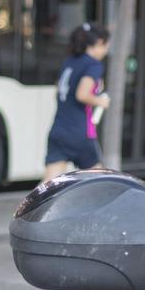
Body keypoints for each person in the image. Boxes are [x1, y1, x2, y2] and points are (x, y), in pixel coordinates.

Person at [42, 22, 111, 182]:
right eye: (106, 46)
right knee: (96, 182)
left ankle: (27, 208)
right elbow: (82, 94)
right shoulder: (93, 65)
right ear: (99, 43)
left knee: (48, 186)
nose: (106, 51)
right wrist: (100, 101)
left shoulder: (70, 61)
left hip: (58, 130)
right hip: (80, 133)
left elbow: (59, 89)